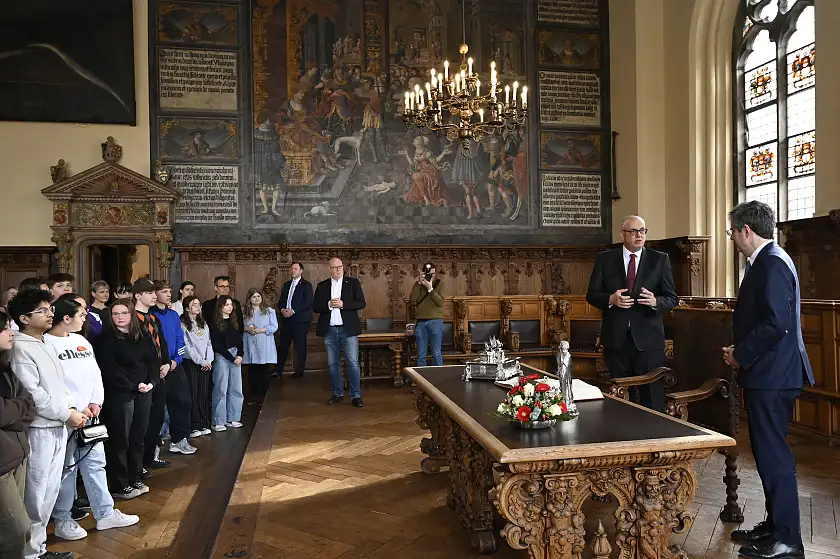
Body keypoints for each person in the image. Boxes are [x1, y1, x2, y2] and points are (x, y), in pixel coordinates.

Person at [723, 201, 813, 559]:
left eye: (732, 231)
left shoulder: (772, 262)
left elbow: (777, 323)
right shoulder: (771, 259)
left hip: (773, 374)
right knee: (766, 453)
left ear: (746, 230)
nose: (732, 238)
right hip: (770, 371)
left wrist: (741, 354)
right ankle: (775, 526)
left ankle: (788, 540)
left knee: (773, 456)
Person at [45, 299, 139, 540]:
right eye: (80, 315)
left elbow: (95, 373)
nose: (84, 318)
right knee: (67, 469)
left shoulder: (80, 340)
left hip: (90, 415)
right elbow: (52, 383)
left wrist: (96, 401)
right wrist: (73, 410)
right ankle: (63, 518)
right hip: (66, 418)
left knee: (96, 464)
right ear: (66, 318)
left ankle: (105, 513)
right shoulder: (47, 343)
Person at [10, 289, 86, 559]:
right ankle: (29, 552)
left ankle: (39, 548)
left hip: (57, 425)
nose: (50, 313)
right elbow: (33, 394)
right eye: (42, 310)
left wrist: (72, 407)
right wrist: (66, 414)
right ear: (23, 318)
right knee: (35, 493)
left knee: (49, 491)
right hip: (39, 429)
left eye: (49, 308)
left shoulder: (43, 342)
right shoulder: (19, 347)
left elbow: (59, 384)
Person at [585, 215, 677, 412]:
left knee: (651, 397)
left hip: (648, 342)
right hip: (616, 339)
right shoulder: (605, 259)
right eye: (634, 231)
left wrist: (655, 302)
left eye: (642, 231)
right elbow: (591, 295)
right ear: (623, 234)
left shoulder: (659, 260)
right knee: (620, 398)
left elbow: (671, 298)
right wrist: (610, 299)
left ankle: (654, 440)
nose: (639, 235)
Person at [95, 303, 159, 500]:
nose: (120, 317)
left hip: (144, 390)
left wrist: (151, 382)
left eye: (124, 313)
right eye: (115, 314)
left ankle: (135, 476)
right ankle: (120, 484)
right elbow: (109, 368)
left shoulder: (141, 334)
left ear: (131, 314)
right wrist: (133, 386)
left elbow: (153, 360)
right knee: (120, 439)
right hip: (120, 393)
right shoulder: (106, 338)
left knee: (138, 436)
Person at [0, 310, 35, 558]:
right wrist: (18, 408)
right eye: (3, 329)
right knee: (16, 530)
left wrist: (15, 410)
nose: (11, 332)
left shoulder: (5, 366)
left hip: (18, 454)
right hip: (1, 463)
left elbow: (29, 404)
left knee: (19, 531)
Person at [313, 257, 366, 407]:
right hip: (330, 330)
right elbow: (315, 306)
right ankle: (337, 393)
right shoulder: (322, 286)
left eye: (340, 267)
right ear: (329, 269)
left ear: (343, 268)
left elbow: (361, 303)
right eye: (334, 267)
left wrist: (344, 304)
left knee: (353, 363)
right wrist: (328, 304)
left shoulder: (353, 283)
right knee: (332, 364)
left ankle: (355, 395)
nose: (337, 270)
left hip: (348, 330)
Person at [132, 279, 172, 472]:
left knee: (156, 418)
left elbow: (161, 343)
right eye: (149, 292)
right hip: (144, 376)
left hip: (159, 374)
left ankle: (150, 458)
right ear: (137, 296)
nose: (154, 295)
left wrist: (166, 362)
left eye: (154, 291)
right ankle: (139, 464)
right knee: (142, 422)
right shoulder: (131, 318)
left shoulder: (154, 318)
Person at [150, 282, 193, 456]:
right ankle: (153, 446)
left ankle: (179, 440)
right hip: (157, 368)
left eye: (169, 291)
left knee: (183, 402)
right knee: (157, 409)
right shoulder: (150, 315)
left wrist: (176, 360)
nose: (168, 294)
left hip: (175, 366)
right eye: (164, 291)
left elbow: (179, 340)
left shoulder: (174, 315)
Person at [180, 296, 213, 437]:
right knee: (193, 393)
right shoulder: (182, 324)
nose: (198, 307)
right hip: (192, 363)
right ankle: (194, 425)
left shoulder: (203, 323)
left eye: (199, 304)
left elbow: (209, 343)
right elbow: (187, 346)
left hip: (206, 363)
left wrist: (208, 360)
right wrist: (200, 360)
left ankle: (204, 423)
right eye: (194, 305)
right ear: (187, 308)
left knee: (203, 393)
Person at [209, 296, 244, 431]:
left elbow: (240, 340)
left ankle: (233, 417)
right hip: (223, 356)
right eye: (227, 304)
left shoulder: (235, 322)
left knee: (236, 388)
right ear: (220, 307)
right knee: (221, 388)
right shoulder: (215, 323)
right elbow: (217, 344)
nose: (230, 307)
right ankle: (219, 420)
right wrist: (231, 357)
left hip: (236, 356)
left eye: (231, 304)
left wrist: (240, 354)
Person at [274, 262, 313, 379]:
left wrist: (294, 310)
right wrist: (282, 310)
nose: (293, 271)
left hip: (301, 320)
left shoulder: (306, 285)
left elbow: (308, 302)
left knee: (300, 346)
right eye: (292, 269)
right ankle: (278, 371)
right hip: (286, 319)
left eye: (295, 269)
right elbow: (281, 300)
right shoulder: (286, 284)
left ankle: (299, 371)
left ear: (301, 271)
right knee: (283, 345)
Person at [242, 288, 278, 400]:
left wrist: (260, 330)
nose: (257, 299)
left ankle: (263, 396)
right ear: (249, 299)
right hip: (249, 345)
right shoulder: (244, 312)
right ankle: (253, 395)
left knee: (263, 371)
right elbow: (238, 326)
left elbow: (274, 327)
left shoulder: (269, 311)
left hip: (264, 344)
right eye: (254, 297)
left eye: (258, 296)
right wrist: (247, 328)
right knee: (252, 372)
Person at [410, 262, 445, 366]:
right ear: (423, 273)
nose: (431, 276)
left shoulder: (439, 283)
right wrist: (419, 283)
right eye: (429, 273)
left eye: (433, 273)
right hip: (421, 323)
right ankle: (421, 380)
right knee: (421, 354)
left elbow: (440, 302)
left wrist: (430, 288)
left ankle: (438, 380)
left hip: (435, 321)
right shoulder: (418, 285)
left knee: (436, 353)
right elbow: (413, 300)